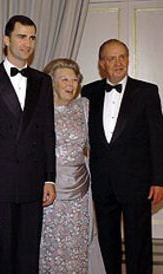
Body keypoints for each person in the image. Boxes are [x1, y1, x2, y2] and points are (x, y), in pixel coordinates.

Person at [0, 15, 56, 274]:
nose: (27, 43)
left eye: (32, 37)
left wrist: (50, 178)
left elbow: (47, 130)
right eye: (21, 36)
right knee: (2, 251)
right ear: (6, 40)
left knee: (28, 251)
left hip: (33, 180)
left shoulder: (42, 81)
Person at [81, 39, 163, 274]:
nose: (118, 63)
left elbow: (157, 139)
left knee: (139, 244)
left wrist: (159, 179)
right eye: (111, 58)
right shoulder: (89, 92)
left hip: (138, 182)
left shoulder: (147, 92)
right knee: (107, 242)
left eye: (122, 57)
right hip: (103, 182)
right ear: (102, 64)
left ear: (128, 59)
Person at [39, 58, 105, 274]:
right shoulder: (40, 111)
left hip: (80, 190)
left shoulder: (84, 107)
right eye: (64, 79)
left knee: (77, 245)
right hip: (50, 190)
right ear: (52, 83)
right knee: (50, 245)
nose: (70, 84)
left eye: (74, 79)